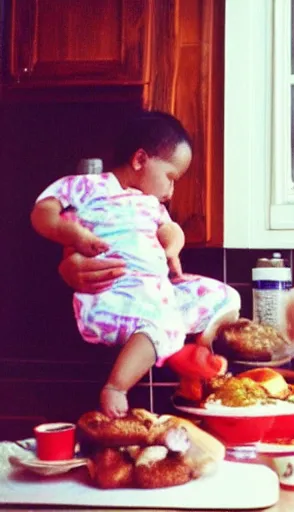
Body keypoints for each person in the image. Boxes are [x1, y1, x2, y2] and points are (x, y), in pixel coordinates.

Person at [31, 111, 240, 419]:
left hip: (157, 291)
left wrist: (173, 245)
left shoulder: (150, 204)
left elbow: (171, 230)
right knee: (160, 320)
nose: (171, 191)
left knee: (225, 297)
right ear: (140, 159)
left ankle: (197, 351)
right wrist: (70, 232)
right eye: (170, 177)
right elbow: (42, 212)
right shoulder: (87, 187)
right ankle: (116, 387)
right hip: (115, 294)